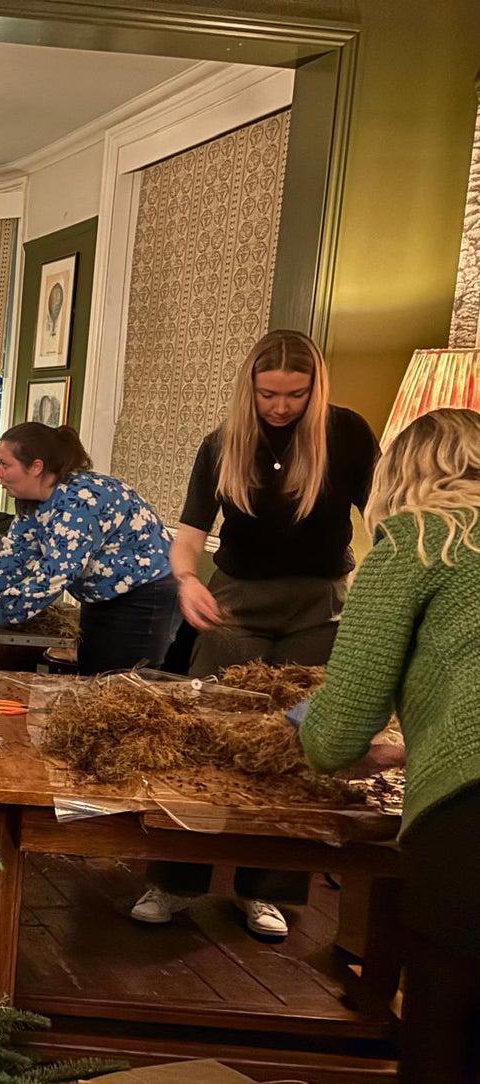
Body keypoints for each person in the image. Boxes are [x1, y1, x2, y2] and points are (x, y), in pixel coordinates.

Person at [131, 329, 380, 937]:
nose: (280, 406)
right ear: (251, 386)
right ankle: (173, 881)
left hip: (318, 606)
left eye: (296, 394)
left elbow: (379, 517)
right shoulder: (223, 443)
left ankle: (264, 890)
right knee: (205, 736)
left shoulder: (347, 435)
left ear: (315, 389)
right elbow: (189, 532)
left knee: (297, 746)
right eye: (269, 393)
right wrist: (188, 581)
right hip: (235, 603)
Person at [297, 408, 480, 1082]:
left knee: (445, 1033)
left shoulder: (419, 540)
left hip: (469, 825)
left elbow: (336, 734)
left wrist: (317, 732)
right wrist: (408, 748)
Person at [0, 422, 177, 674]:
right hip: (101, 596)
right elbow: (12, 559)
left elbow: (51, 578)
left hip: (144, 595)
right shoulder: (34, 503)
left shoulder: (79, 503)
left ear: (36, 467)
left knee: (119, 683)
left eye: (5, 464)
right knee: (92, 672)